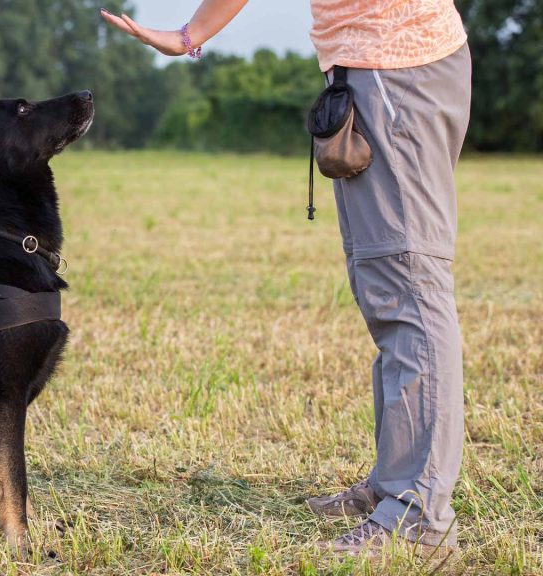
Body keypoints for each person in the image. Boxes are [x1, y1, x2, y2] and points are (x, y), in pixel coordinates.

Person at [103, 0, 471, 558]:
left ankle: (418, 514)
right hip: (379, 70)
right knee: (386, 288)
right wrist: (191, 33)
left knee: (409, 288)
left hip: (397, 71)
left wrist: (190, 34)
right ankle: (394, 484)